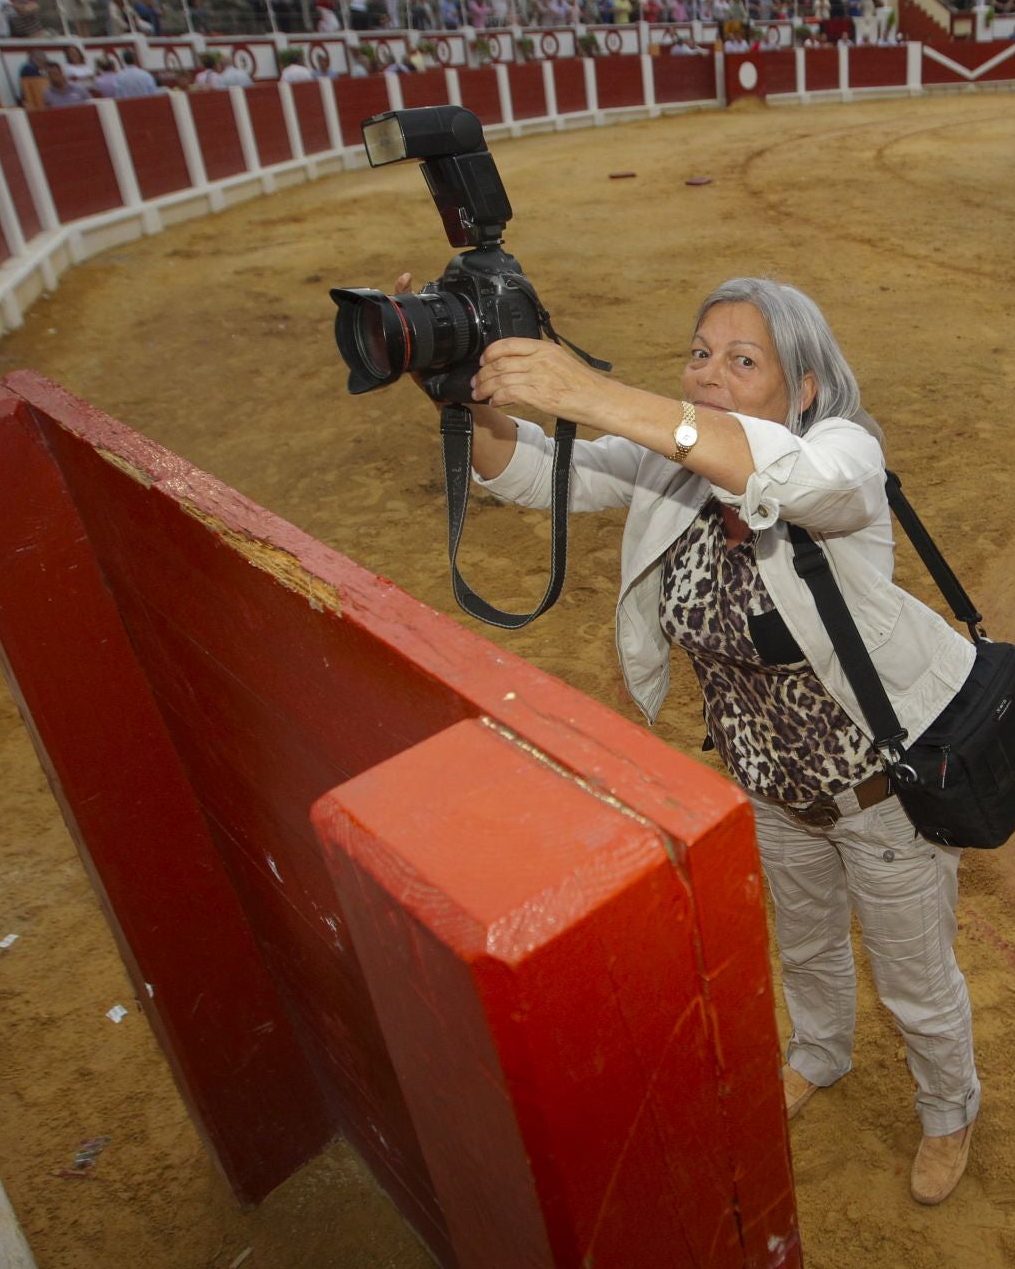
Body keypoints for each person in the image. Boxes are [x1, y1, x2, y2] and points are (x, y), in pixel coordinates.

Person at [421, 274, 984, 1206]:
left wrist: (594, 394)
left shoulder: (840, 450)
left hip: (883, 792)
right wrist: (459, 395)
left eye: (743, 359)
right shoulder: (671, 466)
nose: (710, 373)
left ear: (801, 388)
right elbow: (535, 472)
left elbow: (802, 482)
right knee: (802, 950)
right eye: (700, 353)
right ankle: (819, 1054)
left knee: (916, 983)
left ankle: (948, 1106)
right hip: (769, 787)